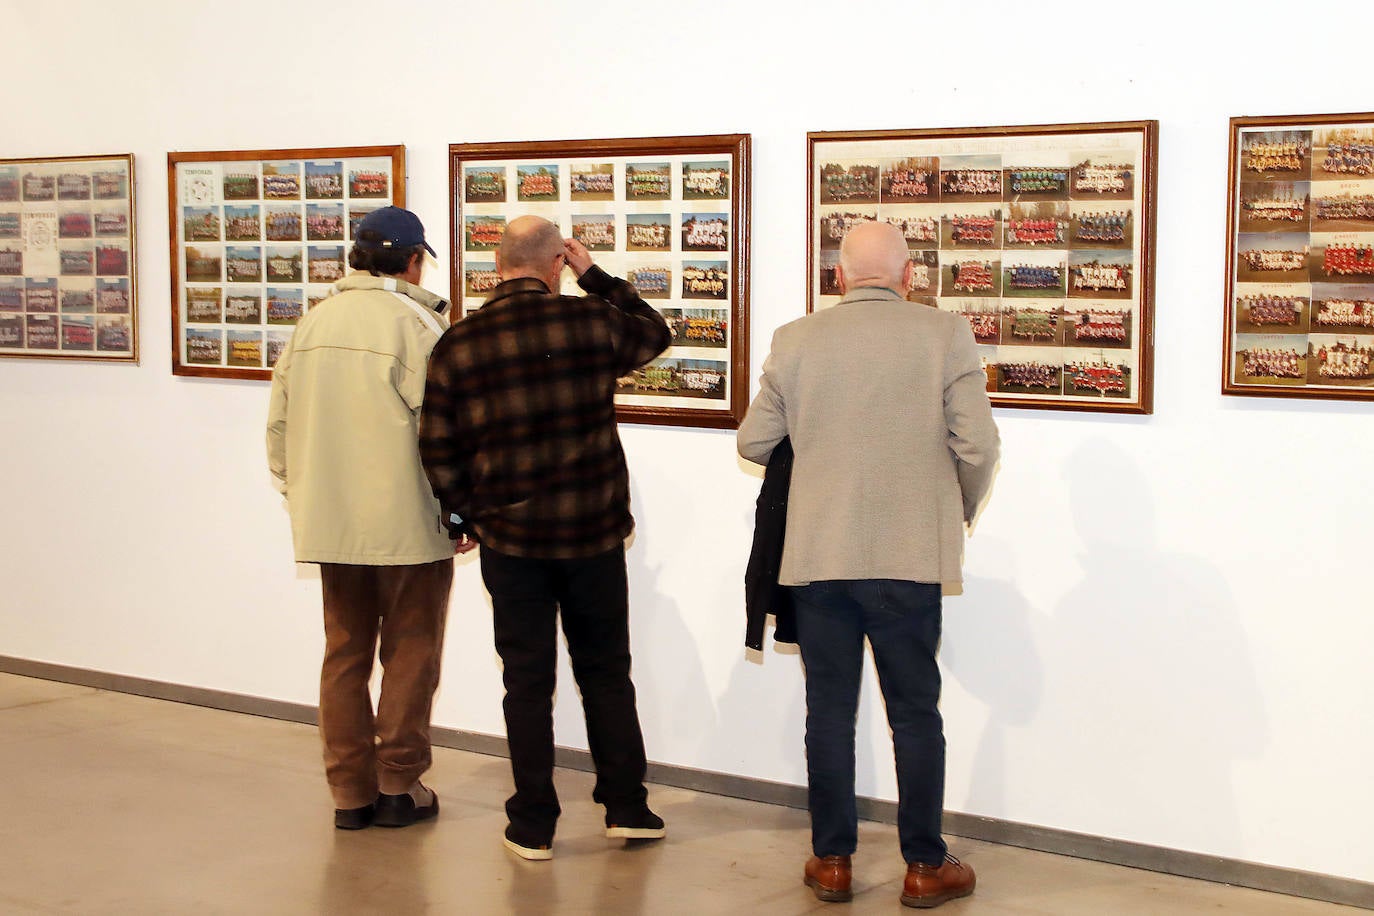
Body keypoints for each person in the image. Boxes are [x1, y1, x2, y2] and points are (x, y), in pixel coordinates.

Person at [737, 221, 1000, 909]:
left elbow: (754, 438)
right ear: (909, 277)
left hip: (819, 557)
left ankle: (832, 862)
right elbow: (978, 448)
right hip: (909, 559)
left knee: (829, 711)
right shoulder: (944, 335)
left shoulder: (796, 339)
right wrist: (954, 511)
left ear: (840, 278)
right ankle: (924, 866)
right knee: (915, 714)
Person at [419, 215, 671, 861]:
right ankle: (628, 807)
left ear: (496, 263)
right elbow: (655, 333)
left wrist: (464, 517)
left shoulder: (460, 342)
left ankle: (532, 823)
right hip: (592, 536)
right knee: (607, 674)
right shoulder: (591, 323)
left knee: (526, 683)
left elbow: (439, 448)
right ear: (557, 261)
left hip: (512, 542)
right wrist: (598, 277)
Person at [267, 206, 473, 831]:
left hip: (332, 523)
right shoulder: (419, 326)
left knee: (344, 653)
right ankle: (397, 785)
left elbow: (278, 428)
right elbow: (445, 432)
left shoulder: (313, 322)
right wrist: (460, 511)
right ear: (414, 261)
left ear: (355, 257)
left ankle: (348, 794)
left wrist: (304, 492)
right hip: (408, 524)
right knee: (411, 652)